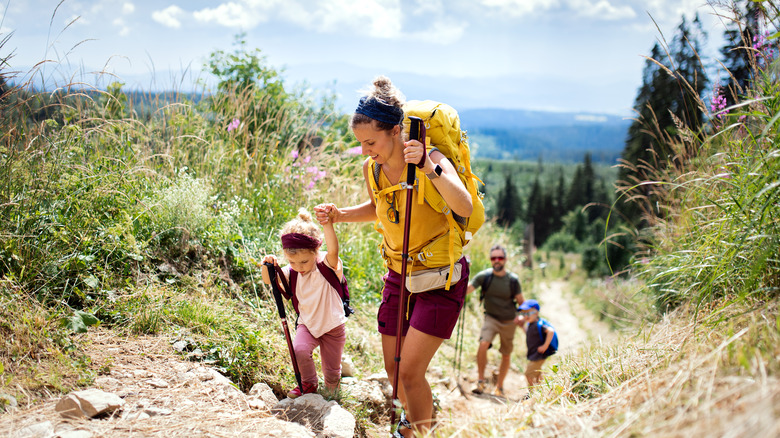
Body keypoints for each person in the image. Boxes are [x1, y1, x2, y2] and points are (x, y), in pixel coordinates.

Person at [314, 76, 473, 438]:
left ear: (396, 131)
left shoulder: (430, 158)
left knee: (410, 373)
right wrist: (340, 215)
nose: (366, 149)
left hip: (440, 277)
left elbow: (462, 203)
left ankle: (419, 431)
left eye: (371, 141)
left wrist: (430, 169)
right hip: (399, 275)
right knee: (393, 370)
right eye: (361, 143)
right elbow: (378, 207)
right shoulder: (373, 168)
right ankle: (414, 423)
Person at [261, 207, 347, 399]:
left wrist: (328, 224)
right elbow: (269, 280)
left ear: (316, 251)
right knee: (299, 349)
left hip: (333, 326)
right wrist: (266, 265)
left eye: (304, 262)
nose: (299, 267)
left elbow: (333, 249)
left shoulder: (326, 265)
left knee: (332, 370)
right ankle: (309, 384)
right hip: (307, 323)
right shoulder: (291, 272)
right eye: (292, 262)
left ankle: (333, 392)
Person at [466, 245, 524, 397]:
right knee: (483, 343)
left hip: (509, 321)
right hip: (491, 318)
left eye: (500, 258)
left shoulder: (513, 280)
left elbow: (521, 303)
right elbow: (468, 288)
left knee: (506, 354)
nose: (497, 261)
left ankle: (500, 386)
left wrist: (523, 317)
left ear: (505, 259)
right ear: (490, 260)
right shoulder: (484, 276)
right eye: (494, 258)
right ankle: (480, 381)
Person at [517, 299, 556, 394]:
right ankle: (542, 391)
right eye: (524, 314)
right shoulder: (531, 324)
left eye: (528, 313)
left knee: (528, 374)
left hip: (539, 354)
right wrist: (523, 327)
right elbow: (529, 335)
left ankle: (532, 393)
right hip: (534, 353)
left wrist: (545, 346)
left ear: (536, 312)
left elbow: (550, 331)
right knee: (538, 373)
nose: (526, 316)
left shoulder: (539, 324)